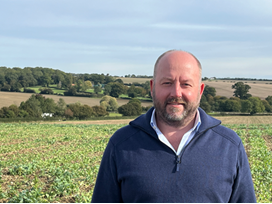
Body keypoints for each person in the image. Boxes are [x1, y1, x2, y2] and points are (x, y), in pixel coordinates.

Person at [91, 50, 256, 203]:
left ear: (200, 90)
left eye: (185, 84)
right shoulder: (121, 144)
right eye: (167, 82)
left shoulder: (229, 145)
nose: (176, 93)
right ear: (152, 87)